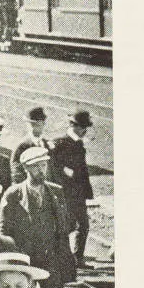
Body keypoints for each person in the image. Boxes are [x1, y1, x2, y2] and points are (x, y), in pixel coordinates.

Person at [0, 146, 76, 288]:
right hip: (23, 261)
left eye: (43, 165)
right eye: (36, 166)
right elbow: (3, 233)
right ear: (25, 168)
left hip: (50, 259)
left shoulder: (56, 192)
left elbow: (63, 227)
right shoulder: (13, 195)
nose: (41, 170)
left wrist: (65, 257)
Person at [49, 110, 94, 268]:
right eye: (83, 127)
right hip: (65, 194)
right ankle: (63, 259)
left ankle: (78, 258)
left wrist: (87, 191)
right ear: (74, 126)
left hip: (78, 194)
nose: (85, 131)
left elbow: (82, 170)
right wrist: (64, 172)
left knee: (83, 225)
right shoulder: (58, 144)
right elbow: (52, 168)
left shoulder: (79, 144)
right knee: (66, 226)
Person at [11, 106, 51, 184]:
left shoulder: (46, 144)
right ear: (27, 125)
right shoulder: (22, 145)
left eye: (38, 125)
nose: (34, 128)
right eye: (32, 125)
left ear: (44, 124)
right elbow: (16, 171)